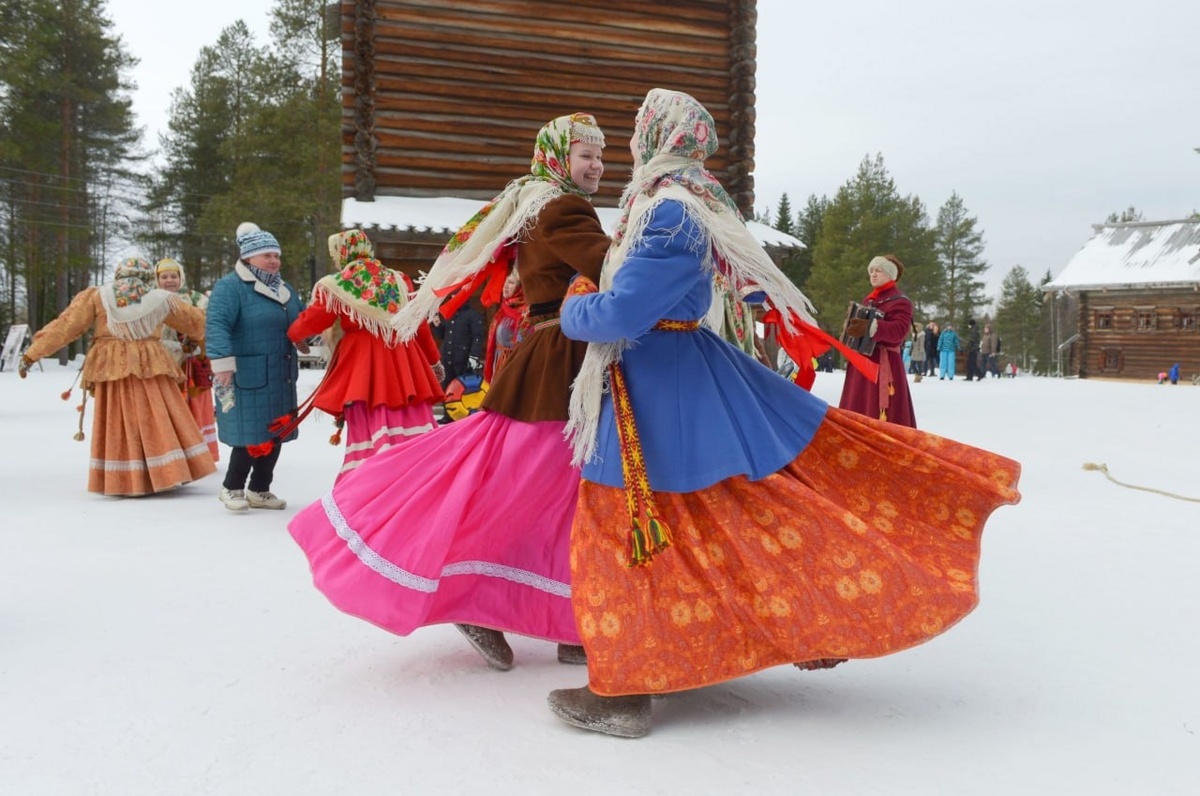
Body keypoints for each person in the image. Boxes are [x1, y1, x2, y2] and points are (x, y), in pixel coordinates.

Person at [546, 88, 1021, 739]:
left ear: (656, 136)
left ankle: (624, 691)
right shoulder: (680, 205)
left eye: (636, 129)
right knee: (693, 533)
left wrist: (575, 302)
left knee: (618, 534)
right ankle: (676, 659)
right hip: (674, 385)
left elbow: (625, 313)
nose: (631, 141)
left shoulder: (669, 213)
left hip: (657, 396)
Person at [287, 112, 611, 669]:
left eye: (602, 157)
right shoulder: (561, 207)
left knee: (560, 492)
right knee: (536, 489)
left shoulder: (535, 204)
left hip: (561, 356)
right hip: (561, 361)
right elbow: (610, 267)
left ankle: (564, 617)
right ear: (558, 158)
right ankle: (476, 599)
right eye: (586, 155)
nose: (597, 166)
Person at [19, 257, 216, 495]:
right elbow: (198, 324)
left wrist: (32, 354)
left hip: (112, 364)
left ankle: (123, 478)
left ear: (119, 274)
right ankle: (168, 471)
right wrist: (199, 345)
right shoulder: (161, 298)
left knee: (118, 418)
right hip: (150, 362)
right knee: (156, 413)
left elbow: (65, 326)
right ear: (148, 277)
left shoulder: (97, 296)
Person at [285, 229, 444, 479]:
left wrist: (294, 334)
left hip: (363, 364)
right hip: (403, 362)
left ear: (343, 252)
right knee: (408, 416)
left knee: (371, 420)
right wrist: (433, 361)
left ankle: (371, 479)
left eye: (334, 254)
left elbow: (314, 319)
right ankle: (416, 473)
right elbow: (418, 323)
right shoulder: (399, 279)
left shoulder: (338, 284)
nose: (335, 260)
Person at [206, 222, 304, 512]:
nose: (274, 261)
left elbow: (301, 320)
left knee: (276, 433)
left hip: (281, 372)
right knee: (249, 432)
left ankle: (260, 488)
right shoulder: (230, 287)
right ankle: (232, 487)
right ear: (249, 258)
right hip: (246, 372)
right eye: (267, 255)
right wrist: (221, 364)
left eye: (277, 255)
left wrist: (307, 335)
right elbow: (217, 325)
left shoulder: (285, 289)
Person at [837, 254, 916, 427]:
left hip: (883, 366)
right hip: (861, 365)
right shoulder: (868, 300)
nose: (873, 274)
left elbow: (899, 331)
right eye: (871, 271)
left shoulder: (901, 302)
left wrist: (872, 327)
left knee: (879, 414)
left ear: (890, 274)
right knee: (857, 406)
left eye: (878, 270)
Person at [156, 258, 219, 461]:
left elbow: (207, 323)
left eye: (173, 276)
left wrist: (195, 342)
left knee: (193, 405)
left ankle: (198, 454)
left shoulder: (195, 299)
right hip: (162, 363)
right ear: (156, 279)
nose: (169, 280)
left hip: (191, 362)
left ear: (180, 277)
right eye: (164, 277)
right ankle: (170, 452)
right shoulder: (151, 301)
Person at [483, 266, 526, 382]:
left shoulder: (525, 312)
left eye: (511, 283)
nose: (505, 286)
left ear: (519, 287)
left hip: (512, 363)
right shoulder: (503, 310)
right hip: (499, 360)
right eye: (505, 282)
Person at [436, 301, 485, 387]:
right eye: (453, 296)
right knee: (447, 391)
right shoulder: (448, 313)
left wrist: (474, 356)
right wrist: (436, 325)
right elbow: (442, 335)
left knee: (464, 389)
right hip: (447, 361)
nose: (454, 298)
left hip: (463, 361)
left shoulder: (472, 314)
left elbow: (478, 336)